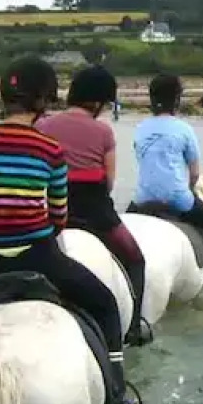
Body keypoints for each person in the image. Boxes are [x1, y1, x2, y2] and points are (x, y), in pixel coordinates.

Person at [0, 57, 138, 404]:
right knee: (104, 304)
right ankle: (116, 395)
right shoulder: (49, 149)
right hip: (40, 257)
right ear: (44, 100)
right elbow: (58, 215)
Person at [37, 63, 152, 347]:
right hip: (95, 213)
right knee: (135, 258)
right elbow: (109, 182)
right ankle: (134, 326)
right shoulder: (103, 132)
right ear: (100, 102)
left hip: (51, 212)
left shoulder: (42, 125)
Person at [128, 74, 203, 303]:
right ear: (177, 100)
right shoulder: (183, 129)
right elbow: (194, 173)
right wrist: (190, 189)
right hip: (177, 198)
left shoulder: (140, 128)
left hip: (143, 199)